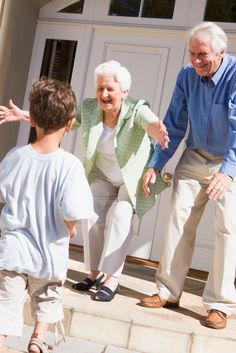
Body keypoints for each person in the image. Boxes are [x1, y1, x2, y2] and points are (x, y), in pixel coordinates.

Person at [0, 60, 169, 302]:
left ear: (124, 91)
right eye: (100, 88)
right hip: (103, 174)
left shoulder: (136, 109)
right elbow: (56, 118)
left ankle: (112, 278)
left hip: (129, 179)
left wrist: (157, 130)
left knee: (121, 215)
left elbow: (149, 121)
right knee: (91, 215)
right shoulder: (90, 109)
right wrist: (24, 116)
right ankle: (95, 273)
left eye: (110, 88)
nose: (104, 94)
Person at [139, 22, 236, 330]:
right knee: (178, 220)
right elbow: (175, 122)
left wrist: (229, 173)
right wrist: (157, 163)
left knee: (227, 229)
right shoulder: (186, 75)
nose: (196, 61)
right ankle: (168, 291)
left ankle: (220, 303)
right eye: (192, 53)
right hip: (195, 156)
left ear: (221, 51)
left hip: (230, 158)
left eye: (202, 54)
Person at [0, 78, 94, 353]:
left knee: (6, 300)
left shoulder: (15, 156)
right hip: (49, 251)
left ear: (32, 120)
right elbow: (72, 209)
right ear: (69, 124)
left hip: (14, 250)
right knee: (47, 295)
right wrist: (71, 226)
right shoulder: (70, 166)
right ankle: (37, 338)